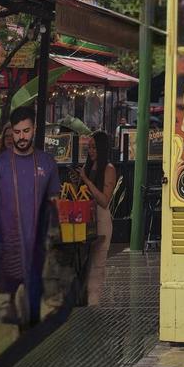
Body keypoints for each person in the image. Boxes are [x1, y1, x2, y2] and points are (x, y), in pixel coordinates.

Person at [0, 104, 60, 327]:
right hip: (7, 249)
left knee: (34, 314)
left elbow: (54, 206)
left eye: (26, 131)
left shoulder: (48, 164)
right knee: (8, 315)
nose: (21, 137)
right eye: (17, 132)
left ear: (34, 129)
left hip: (38, 251)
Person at [80, 130, 116, 306]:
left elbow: (104, 200)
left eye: (94, 147)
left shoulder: (109, 169)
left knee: (97, 266)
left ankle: (93, 304)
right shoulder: (89, 167)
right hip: (86, 218)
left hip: (101, 220)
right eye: (89, 148)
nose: (91, 151)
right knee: (84, 265)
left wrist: (87, 181)